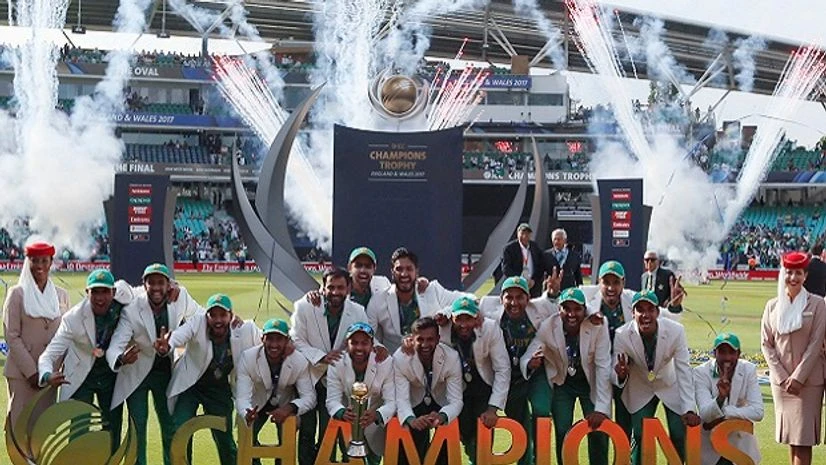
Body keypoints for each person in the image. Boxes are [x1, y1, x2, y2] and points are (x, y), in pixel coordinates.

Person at [106, 263, 204, 465]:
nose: (157, 287)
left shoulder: (180, 297)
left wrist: (231, 319)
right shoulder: (132, 309)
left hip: (165, 372)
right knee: (137, 428)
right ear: (144, 284)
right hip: (136, 373)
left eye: (161, 282)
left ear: (169, 284)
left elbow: (202, 316)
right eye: (152, 283)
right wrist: (121, 358)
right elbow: (116, 344)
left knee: (170, 426)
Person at [159, 294, 261, 465]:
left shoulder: (243, 329)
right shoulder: (197, 323)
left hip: (218, 389)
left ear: (231, 315)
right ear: (207, 316)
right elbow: (180, 335)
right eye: (213, 315)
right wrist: (167, 345)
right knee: (180, 430)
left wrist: (288, 346)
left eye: (223, 315)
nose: (218, 320)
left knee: (224, 437)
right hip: (191, 386)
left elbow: (265, 341)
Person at [290, 267, 376, 465]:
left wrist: (379, 349)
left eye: (340, 287)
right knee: (307, 431)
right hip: (309, 376)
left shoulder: (358, 311)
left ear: (348, 288)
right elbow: (295, 338)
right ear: (323, 287)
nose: (335, 292)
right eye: (331, 287)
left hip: (337, 380)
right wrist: (321, 357)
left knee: (330, 431)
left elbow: (366, 340)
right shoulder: (305, 306)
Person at [37, 269, 128, 453]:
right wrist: (47, 375)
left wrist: (175, 289)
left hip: (111, 375)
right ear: (87, 293)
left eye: (105, 291)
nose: (100, 298)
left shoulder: (124, 301)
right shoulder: (73, 319)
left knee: (112, 427)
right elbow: (49, 355)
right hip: (81, 376)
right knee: (79, 428)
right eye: (95, 292)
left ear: (114, 292)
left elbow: (144, 292)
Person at [613, 290, 701, 465]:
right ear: (633, 313)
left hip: (669, 384)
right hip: (640, 385)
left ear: (658, 312)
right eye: (640, 310)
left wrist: (689, 408)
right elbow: (615, 369)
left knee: (679, 432)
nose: (645, 315)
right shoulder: (622, 334)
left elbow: (683, 370)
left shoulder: (676, 331)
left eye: (650, 309)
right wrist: (620, 375)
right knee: (640, 434)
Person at [525, 288, 611, 465]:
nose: (572, 314)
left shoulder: (598, 325)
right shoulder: (549, 326)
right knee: (563, 430)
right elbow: (531, 351)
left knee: (599, 428)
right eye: (566, 308)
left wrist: (601, 408)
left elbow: (603, 366)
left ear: (585, 310)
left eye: (577, 309)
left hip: (590, 382)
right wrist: (529, 362)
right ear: (559, 309)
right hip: (563, 383)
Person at [761, 251, 826, 465]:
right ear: (783, 274)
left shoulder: (817, 304)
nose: (793, 278)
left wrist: (798, 377)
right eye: (789, 272)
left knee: (803, 442)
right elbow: (766, 344)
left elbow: (816, 343)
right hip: (782, 384)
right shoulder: (772, 306)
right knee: (791, 440)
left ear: (805, 276)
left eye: (798, 273)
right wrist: (782, 377)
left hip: (808, 383)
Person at [485, 276, 552, 465]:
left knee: (541, 409)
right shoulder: (490, 314)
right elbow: (459, 304)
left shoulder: (539, 310)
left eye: (519, 297)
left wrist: (553, 293)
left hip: (536, 372)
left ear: (528, 298)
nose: (514, 303)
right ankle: (525, 460)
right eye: (509, 297)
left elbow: (559, 305)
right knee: (517, 423)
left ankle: (540, 458)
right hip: (508, 377)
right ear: (501, 299)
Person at [3, 241, 70, 429]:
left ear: (51, 263)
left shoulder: (61, 295)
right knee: (19, 427)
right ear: (28, 262)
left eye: (44, 261)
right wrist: (32, 373)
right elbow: (12, 336)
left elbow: (66, 335)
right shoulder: (17, 294)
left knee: (43, 429)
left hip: (49, 376)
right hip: (23, 374)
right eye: (35, 261)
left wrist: (51, 372)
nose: (39, 266)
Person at [439, 297, 510, 465]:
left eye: (468, 319)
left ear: (477, 317)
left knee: (484, 435)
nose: (464, 325)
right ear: (452, 318)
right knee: (464, 434)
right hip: (455, 389)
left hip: (482, 385)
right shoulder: (441, 329)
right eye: (459, 319)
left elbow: (502, 368)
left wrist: (493, 407)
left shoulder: (489, 328)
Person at [235, 319, 316, 465]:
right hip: (257, 403)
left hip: (285, 402)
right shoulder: (248, 357)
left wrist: (290, 408)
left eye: (279, 339)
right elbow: (242, 397)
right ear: (262, 339)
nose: (274, 344)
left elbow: (310, 397)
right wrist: (246, 412)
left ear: (287, 340)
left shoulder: (299, 361)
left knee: (286, 442)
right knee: (246, 437)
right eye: (270, 339)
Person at [367, 247, 470, 353]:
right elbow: (368, 335)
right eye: (399, 269)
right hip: (395, 360)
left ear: (416, 271)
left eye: (409, 269)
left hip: (433, 357)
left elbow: (469, 299)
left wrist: (446, 313)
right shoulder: (378, 300)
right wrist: (379, 348)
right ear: (392, 272)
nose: (404, 274)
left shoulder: (432, 290)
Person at [393, 317, 463, 465]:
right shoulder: (400, 358)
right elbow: (401, 398)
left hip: (441, 402)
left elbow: (456, 400)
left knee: (445, 451)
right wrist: (411, 420)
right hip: (414, 402)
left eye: (430, 339)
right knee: (408, 453)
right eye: (420, 339)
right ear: (412, 339)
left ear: (438, 339)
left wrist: (443, 416)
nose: (425, 344)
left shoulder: (451, 357)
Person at [326, 322, 396, 465]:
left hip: (375, 423)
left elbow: (392, 401)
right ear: (347, 344)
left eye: (364, 343)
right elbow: (332, 400)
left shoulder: (386, 363)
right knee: (350, 461)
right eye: (354, 343)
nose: (359, 347)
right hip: (348, 423)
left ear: (372, 344)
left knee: (374, 460)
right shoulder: (336, 363)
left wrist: (377, 415)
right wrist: (342, 412)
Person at [694, 332, 763, 465]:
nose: (727, 357)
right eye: (722, 352)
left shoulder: (748, 369)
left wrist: (725, 412)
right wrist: (720, 398)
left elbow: (758, 412)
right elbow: (705, 414)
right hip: (709, 442)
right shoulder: (701, 372)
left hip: (740, 443)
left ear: (739, 354)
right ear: (714, 353)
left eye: (731, 352)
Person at [501, 223, 545, 297]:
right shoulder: (509, 249)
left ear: (530, 235)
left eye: (527, 234)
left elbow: (540, 266)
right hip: (516, 285)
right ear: (517, 234)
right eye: (522, 233)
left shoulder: (535, 247)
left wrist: (534, 280)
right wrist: (520, 280)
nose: (525, 236)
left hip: (533, 286)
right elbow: (506, 268)